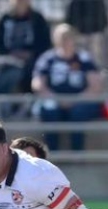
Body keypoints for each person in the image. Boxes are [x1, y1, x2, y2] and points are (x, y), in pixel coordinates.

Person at [33, 24, 103, 152]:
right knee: (49, 110)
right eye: (61, 38)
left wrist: (75, 100)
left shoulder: (84, 59)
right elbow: (38, 84)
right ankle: (51, 155)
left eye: (68, 37)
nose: (65, 41)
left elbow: (95, 86)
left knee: (79, 112)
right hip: (54, 99)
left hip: (80, 100)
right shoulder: (47, 59)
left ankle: (77, 155)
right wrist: (57, 99)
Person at [0, 0, 51, 96]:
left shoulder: (38, 19)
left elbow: (45, 44)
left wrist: (29, 54)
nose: (21, 0)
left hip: (32, 62)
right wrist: (10, 55)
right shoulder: (4, 19)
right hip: (8, 61)